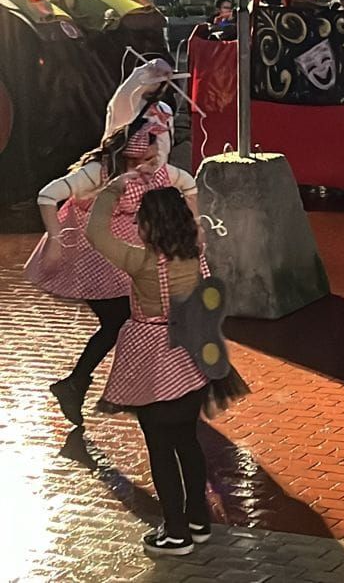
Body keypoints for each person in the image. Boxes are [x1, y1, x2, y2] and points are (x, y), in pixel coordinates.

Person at [25, 67, 196, 430]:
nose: (152, 157)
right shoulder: (98, 173)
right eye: (147, 148)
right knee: (119, 321)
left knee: (133, 318)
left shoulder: (156, 172)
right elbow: (48, 194)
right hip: (87, 256)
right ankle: (79, 384)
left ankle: (106, 384)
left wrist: (195, 227)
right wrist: (56, 241)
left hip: (118, 258)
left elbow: (188, 184)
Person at [86, 179, 246, 556]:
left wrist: (112, 191)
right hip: (192, 357)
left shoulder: (140, 261)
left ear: (148, 226)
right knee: (188, 442)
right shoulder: (196, 253)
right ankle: (197, 520)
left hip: (151, 360)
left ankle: (175, 533)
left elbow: (95, 232)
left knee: (160, 448)